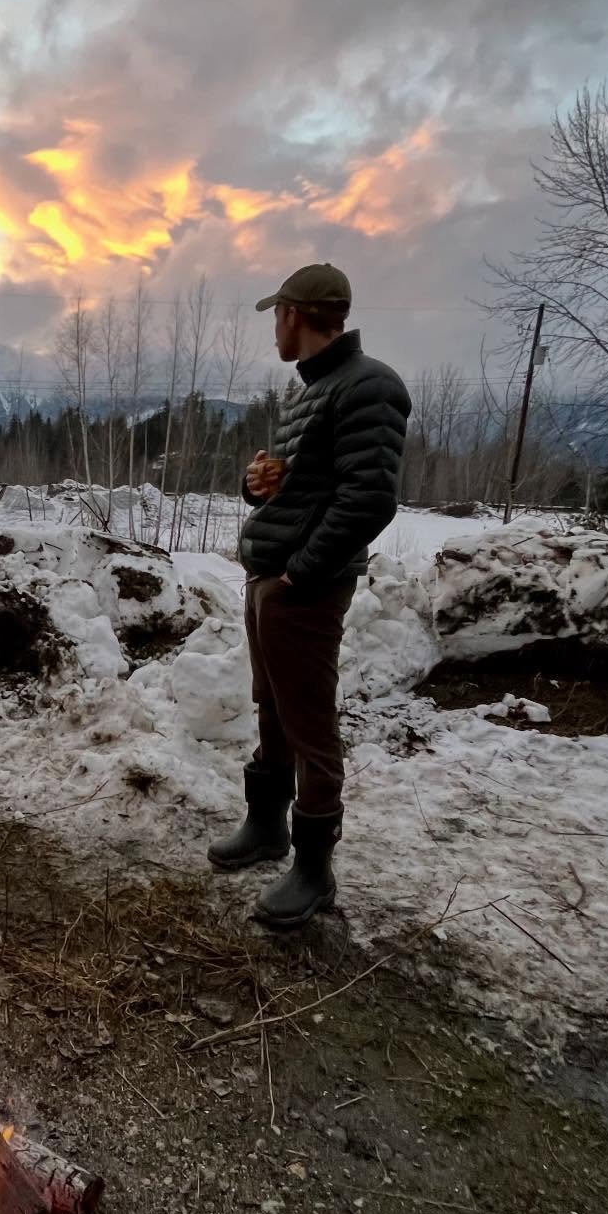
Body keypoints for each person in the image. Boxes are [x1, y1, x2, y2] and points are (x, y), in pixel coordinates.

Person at [208, 263, 410, 926]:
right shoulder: (314, 390)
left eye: (277, 316)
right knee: (272, 707)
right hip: (272, 579)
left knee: (309, 724)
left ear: (295, 315)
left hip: (305, 586)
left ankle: (314, 870)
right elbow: (305, 490)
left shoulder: (369, 386)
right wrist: (258, 484)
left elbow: (369, 497)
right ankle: (266, 827)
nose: (274, 329)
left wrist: (302, 572)